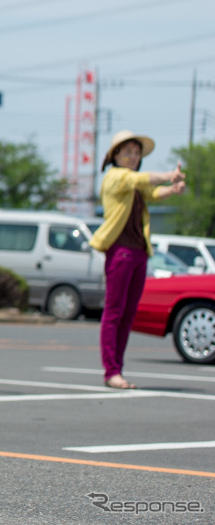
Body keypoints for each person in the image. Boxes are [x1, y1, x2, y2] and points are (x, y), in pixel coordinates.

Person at [89, 130, 185, 389]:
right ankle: (111, 371)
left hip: (139, 252)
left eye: (136, 153)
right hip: (119, 251)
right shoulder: (115, 177)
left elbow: (152, 193)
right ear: (115, 155)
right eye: (127, 152)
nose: (132, 157)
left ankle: (117, 368)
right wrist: (167, 175)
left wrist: (172, 189)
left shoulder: (134, 182)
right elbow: (142, 179)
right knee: (114, 312)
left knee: (128, 313)